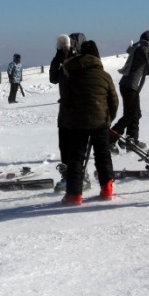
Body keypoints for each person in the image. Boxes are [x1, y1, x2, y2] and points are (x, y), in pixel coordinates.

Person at [59, 40, 119, 205]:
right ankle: (107, 190)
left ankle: (74, 195)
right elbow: (114, 101)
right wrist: (108, 119)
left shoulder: (72, 75)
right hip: (101, 123)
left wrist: (72, 118)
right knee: (103, 155)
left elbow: (66, 102)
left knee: (76, 158)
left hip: (77, 124)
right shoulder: (104, 76)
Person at [49, 33, 91, 192]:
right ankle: (68, 176)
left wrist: (70, 59)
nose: (65, 50)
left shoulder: (81, 61)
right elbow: (53, 78)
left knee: (77, 145)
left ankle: (81, 176)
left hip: (78, 108)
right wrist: (58, 57)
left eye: (68, 47)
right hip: (65, 109)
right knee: (64, 144)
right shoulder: (61, 62)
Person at [110, 30, 149, 153]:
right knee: (131, 114)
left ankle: (131, 139)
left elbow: (146, 69)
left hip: (130, 86)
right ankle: (110, 137)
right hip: (129, 86)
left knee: (135, 113)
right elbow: (148, 59)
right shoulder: (142, 48)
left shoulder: (140, 49)